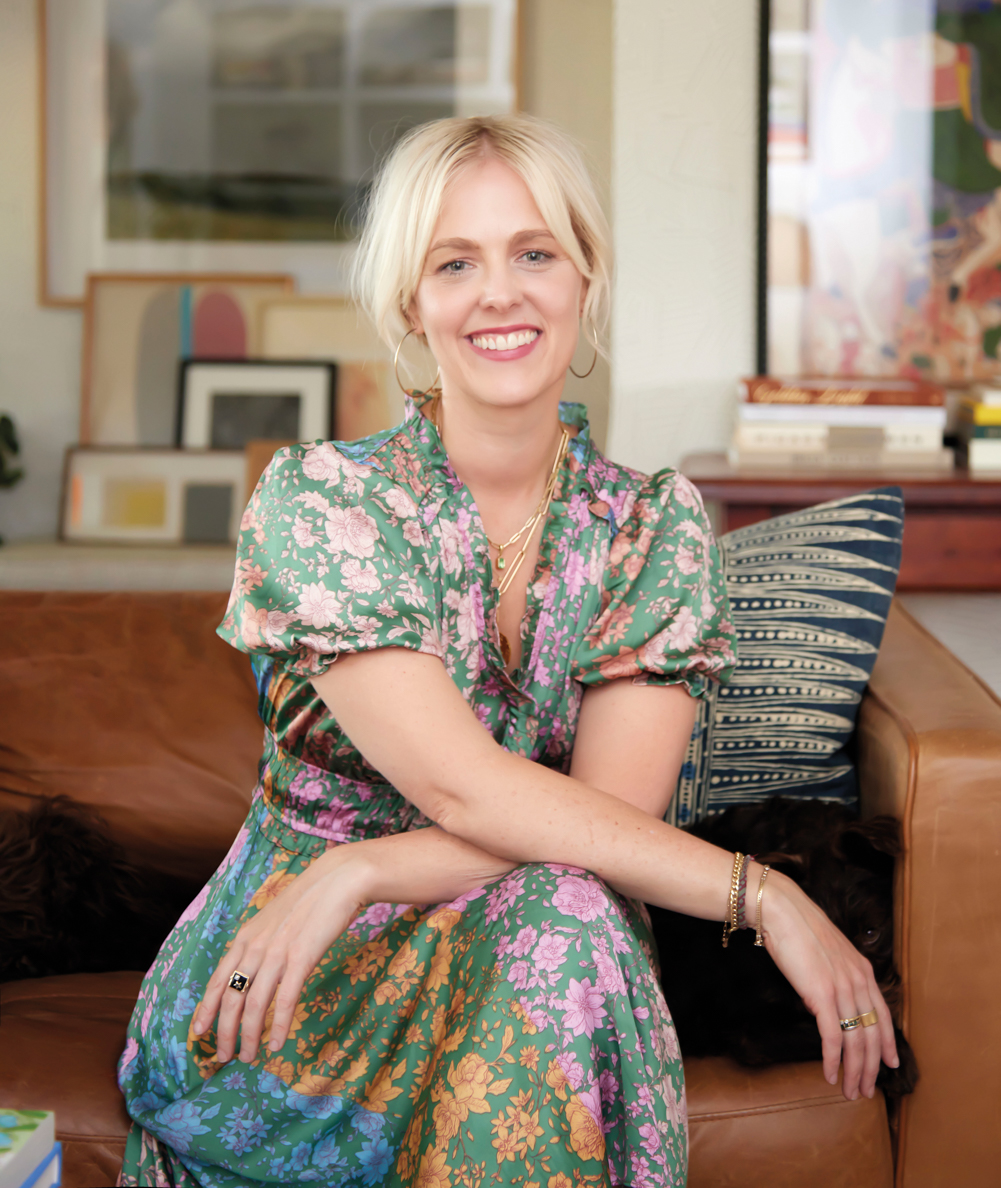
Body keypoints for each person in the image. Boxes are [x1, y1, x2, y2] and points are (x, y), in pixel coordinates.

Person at [117, 115, 897, 1188]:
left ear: (584, 278)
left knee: (571, 907)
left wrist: (366, 865)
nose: (499, 292)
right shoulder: (324, 504)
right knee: (568, 900)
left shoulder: (649, 528)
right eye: (454, 262)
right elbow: (467, 787)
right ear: (410, 303)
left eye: (534, 252)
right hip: (308, 972)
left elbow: (599, 828)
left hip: (521, 947)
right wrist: (761, 893)